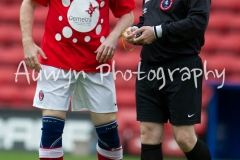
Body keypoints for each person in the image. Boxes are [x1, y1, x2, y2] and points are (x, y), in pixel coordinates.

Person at [20, 0, 135, 159]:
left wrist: (113, 37)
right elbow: (28, 3)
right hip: (55, 59)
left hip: (97, 62)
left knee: (109, 135)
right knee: (51, 131)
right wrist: (27, 42)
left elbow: (127, 14)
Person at [123, 0, 212, 159]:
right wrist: (136, 30)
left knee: (184, 138)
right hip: (148, 68)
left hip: (182, 68)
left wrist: (157, 32)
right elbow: (149, 20)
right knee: (148, 133)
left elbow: (198, 22)